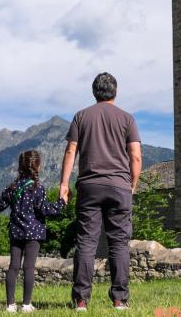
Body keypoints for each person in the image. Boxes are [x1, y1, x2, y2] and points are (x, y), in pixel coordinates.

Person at [59, 72, 142, 312]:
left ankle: (81, 300)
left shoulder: (81, 116)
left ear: (94, 92)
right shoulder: (127, 119)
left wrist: (64, 184)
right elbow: (135, 155)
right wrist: (132, 185)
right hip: (119, 186)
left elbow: (70, 151)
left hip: (89, 187)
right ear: (115, 92)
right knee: (119, 243)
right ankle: (119, 300)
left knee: (86, 242)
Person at [0, 150, 67, 313]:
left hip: (15, 232)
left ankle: (10, 305)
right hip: (34, 233)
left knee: (13, 266)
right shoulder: (38, 188)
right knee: (29, 267)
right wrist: (61, 202)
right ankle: (26, 305)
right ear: (38, 166)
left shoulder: (12, 187)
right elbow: (45, 209)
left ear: (20, 167)